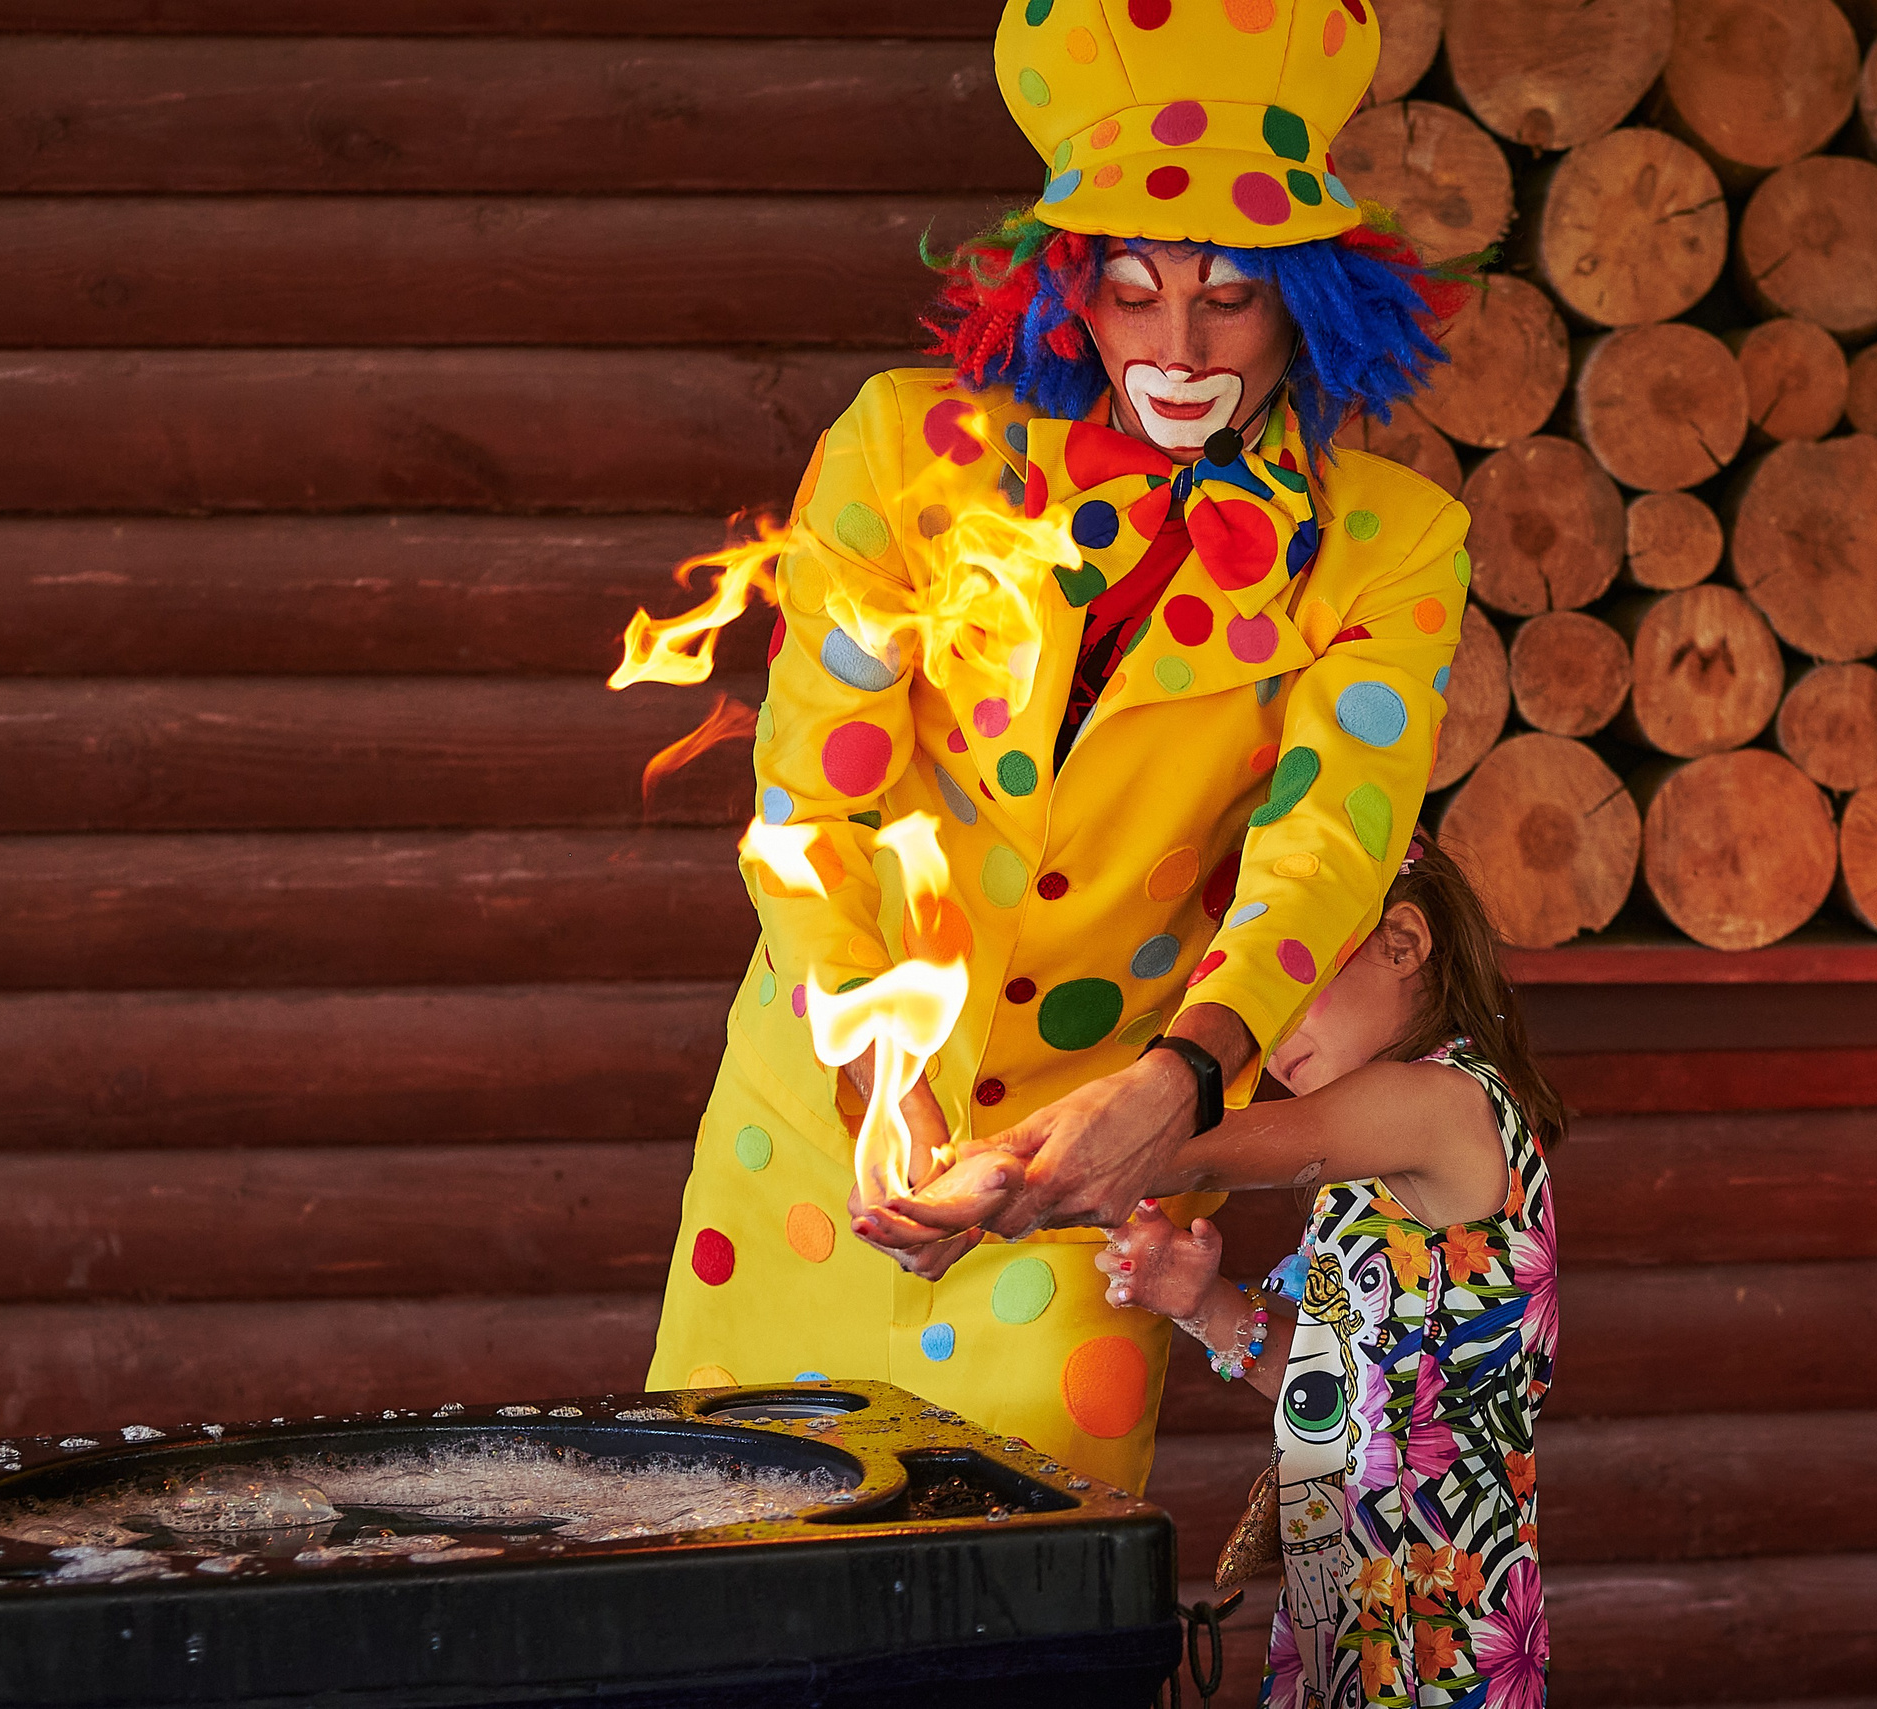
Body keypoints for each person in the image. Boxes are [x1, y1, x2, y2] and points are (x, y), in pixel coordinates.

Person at [645, 0, 1478, 1494]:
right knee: (723, 1543)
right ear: (1068, 290)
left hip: (1093, 1160)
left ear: (1307, 301)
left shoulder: (1390, 545)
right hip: (814, 1134)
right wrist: (870, 1057)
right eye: (1132, 291)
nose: (1176, 348)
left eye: (1230, 297)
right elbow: (812, 795)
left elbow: (1325, 849)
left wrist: (1180, 1086)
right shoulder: (905, 450)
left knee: (1020, 1571)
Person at [880, 832, 1561, 1707]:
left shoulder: (1444, 1100)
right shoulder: (1380, 1162)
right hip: (1360, 1575)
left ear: (1402, 942)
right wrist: (1200, 1300)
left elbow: (1201, 1150)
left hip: (1438, 1592)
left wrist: (1012, 1165)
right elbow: (1344, 1392)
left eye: (1291, 992)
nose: (1271, 1045)